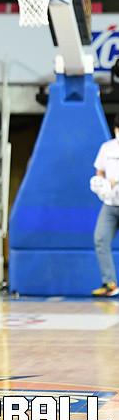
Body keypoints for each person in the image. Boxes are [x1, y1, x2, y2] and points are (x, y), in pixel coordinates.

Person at [90, 114, 119, 297]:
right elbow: (99, 172)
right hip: (110, 205)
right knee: (100, 238)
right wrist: (103, 185)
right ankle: (110, 283)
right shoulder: (107, 148)